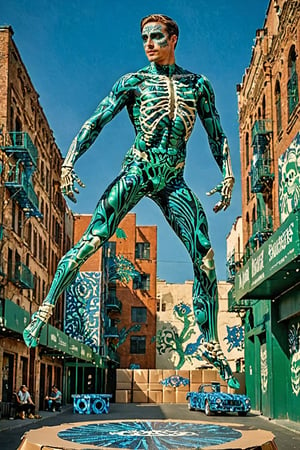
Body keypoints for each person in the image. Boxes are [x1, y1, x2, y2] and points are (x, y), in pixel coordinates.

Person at [23, 14, 238, 389]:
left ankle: (210, 341)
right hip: (139, 169)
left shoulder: (198, 85)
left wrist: (228, 173)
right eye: (144, 38)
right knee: (93, 237)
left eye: (156, 37)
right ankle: (43, 310)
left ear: (174, 39)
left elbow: (216, 132)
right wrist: (69, 161)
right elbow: (97, 120)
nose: (149, 44)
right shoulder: (134, 83)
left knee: (205, 255)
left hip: (173, 179)